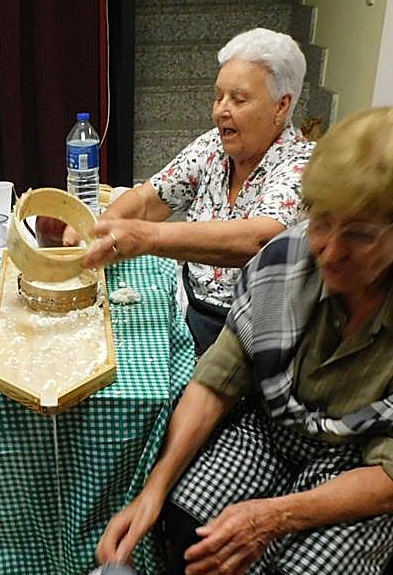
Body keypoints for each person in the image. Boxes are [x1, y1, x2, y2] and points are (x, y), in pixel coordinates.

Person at [96, 107, 393, 575]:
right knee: (189, 513)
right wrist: (152, 491)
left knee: (320, 570)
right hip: (282, 430)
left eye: (357, 234)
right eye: (320, 221)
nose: (327, 249)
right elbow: (218, 377)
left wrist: (273, 516)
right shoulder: (285, 259)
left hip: (368, 467)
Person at [78, 27, 314, 353]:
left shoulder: (303, 165)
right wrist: (100, 230)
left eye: (238, 99)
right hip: (192, 310)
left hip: (256, 335)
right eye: (218, 97)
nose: (220, 110)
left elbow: (258, 240)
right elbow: (149, 200)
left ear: (281, 106)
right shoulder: (214, 146)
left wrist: (146, 238)